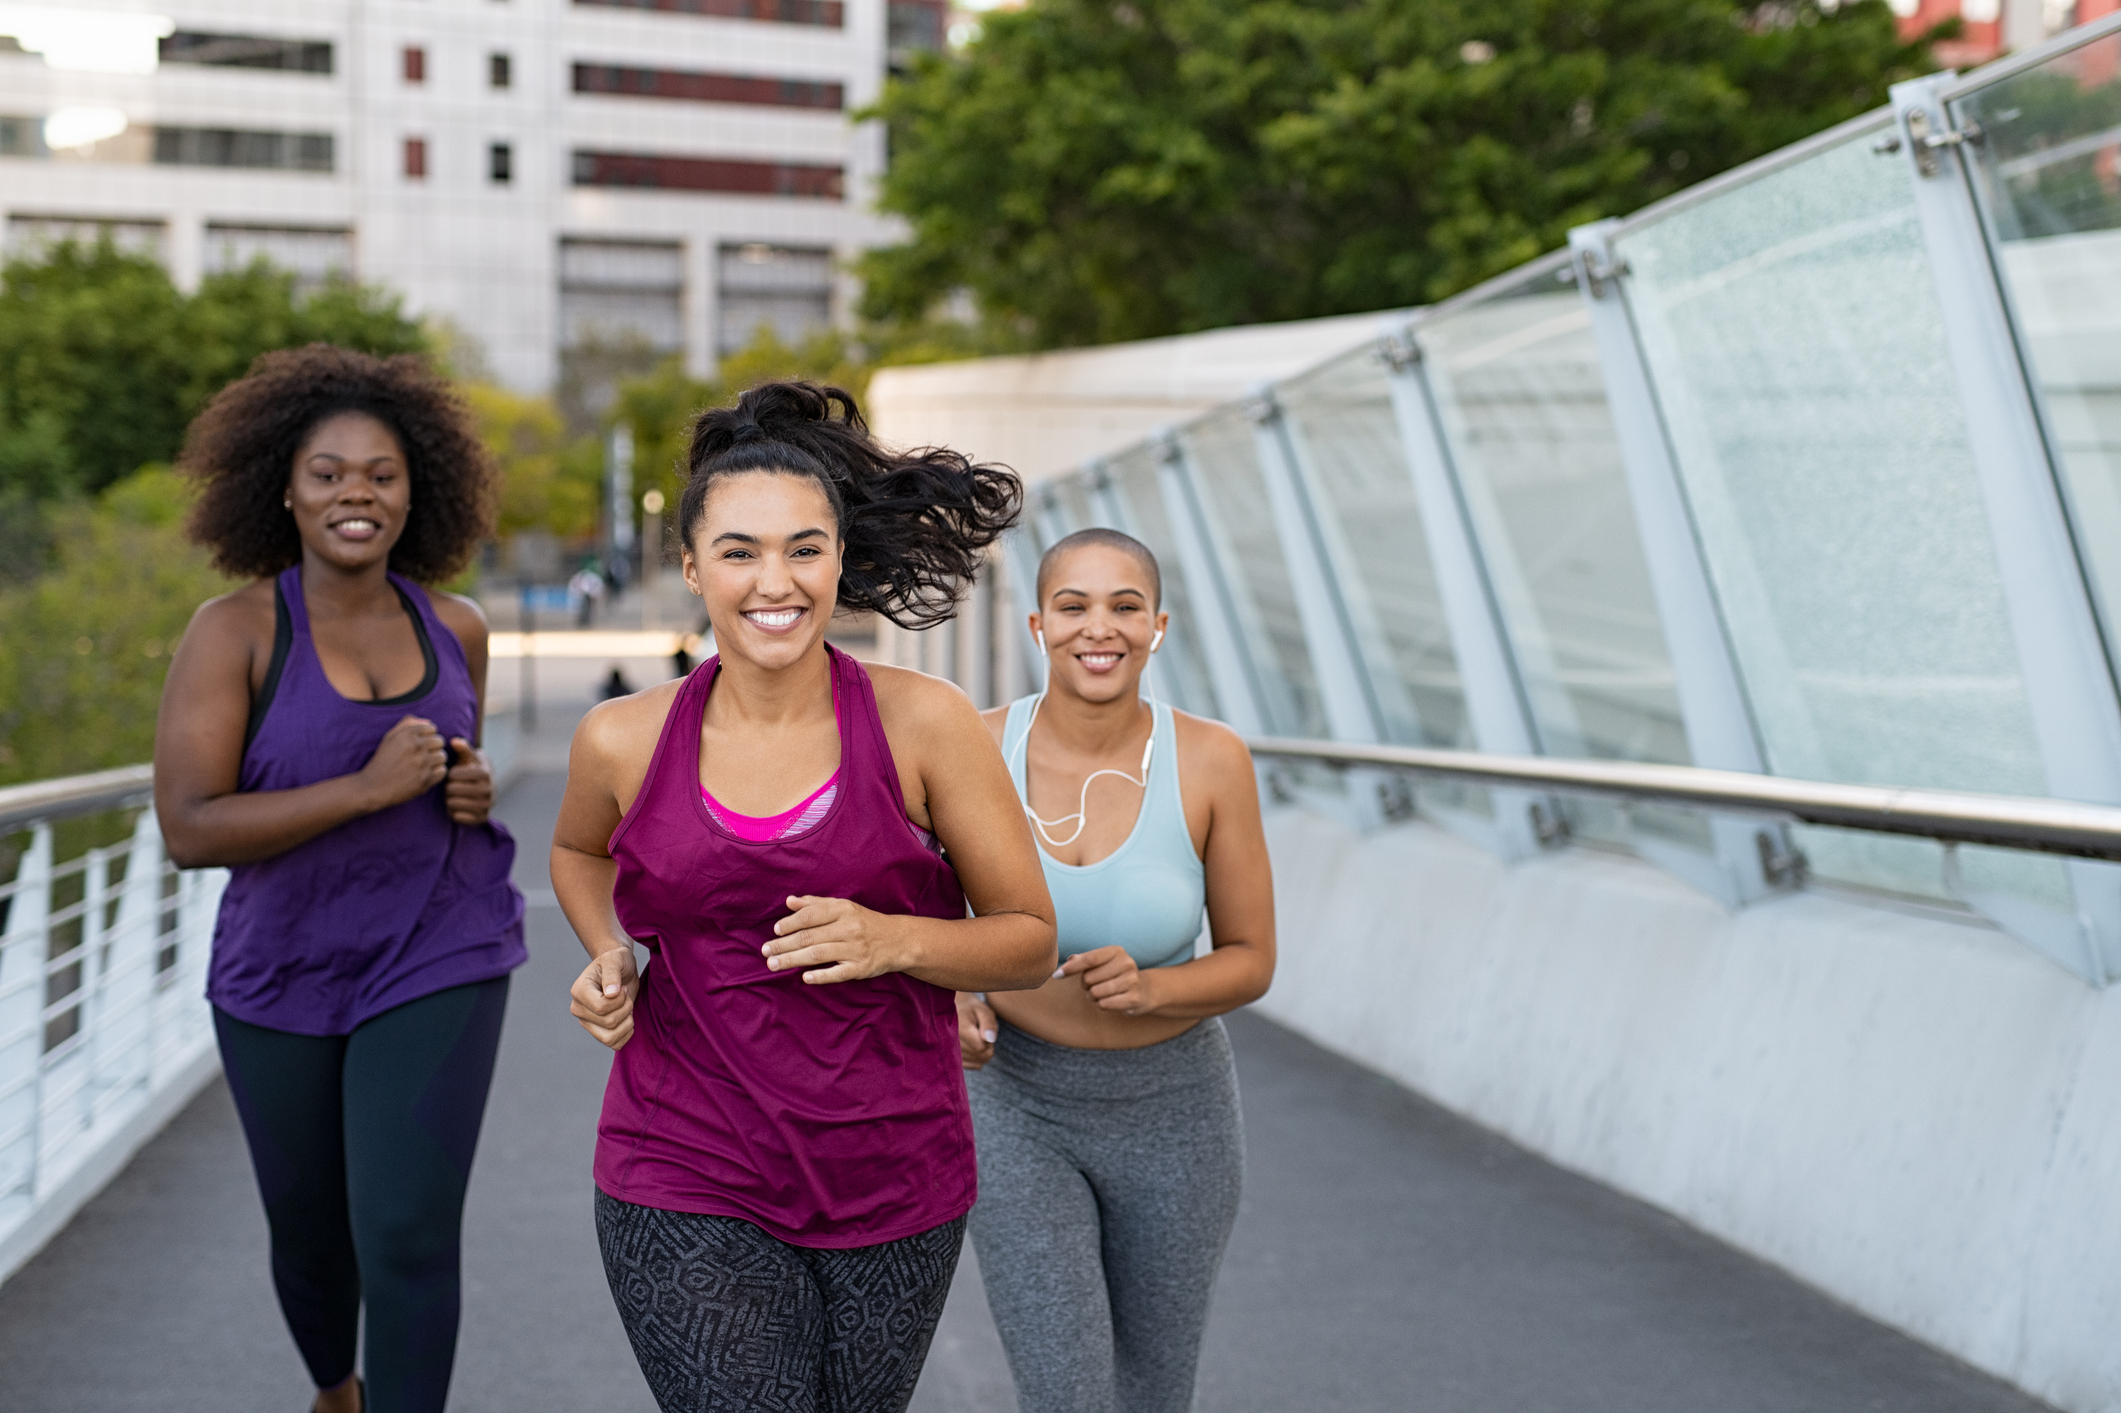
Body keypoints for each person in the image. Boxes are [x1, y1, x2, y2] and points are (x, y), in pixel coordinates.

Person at [555, 380, 1058, 1413]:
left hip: (894, 1172)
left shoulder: (927, 724)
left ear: (839, 561)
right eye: (738, 551)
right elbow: (577, 851)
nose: (772, 581)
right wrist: (608, 949)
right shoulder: (622, 738)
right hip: (683, 1160)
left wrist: (893, 941)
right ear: (691, 566)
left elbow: (1028, 942)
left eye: (804, 548)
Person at [153, 345, 526, 1413]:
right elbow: (189, 826)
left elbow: (454, 770)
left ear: (419, 493)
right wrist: (364, 790)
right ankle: (335, 1387)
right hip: (283, 968)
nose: (355, 491)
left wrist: (470, 786)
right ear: (282, 487)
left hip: (440, 950)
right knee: (312, 1240)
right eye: (327, 472)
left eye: (381, 473)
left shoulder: (456, 626)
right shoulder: (233, 634)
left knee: (408, 1230)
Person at [957, 527, 1277, 1413]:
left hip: (1177, 1110)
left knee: (1151, 1390)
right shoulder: (975, 747)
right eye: (1073, 606)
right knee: (1065, 1391)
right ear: (1037, 624)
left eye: (1124, 606)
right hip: (1018, 1104)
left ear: (1158, 626)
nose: (1099, 628)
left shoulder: (1212, 759)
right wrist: (954, 994)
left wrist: (1155, 987)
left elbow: (1253, 959)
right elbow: (923, 910)